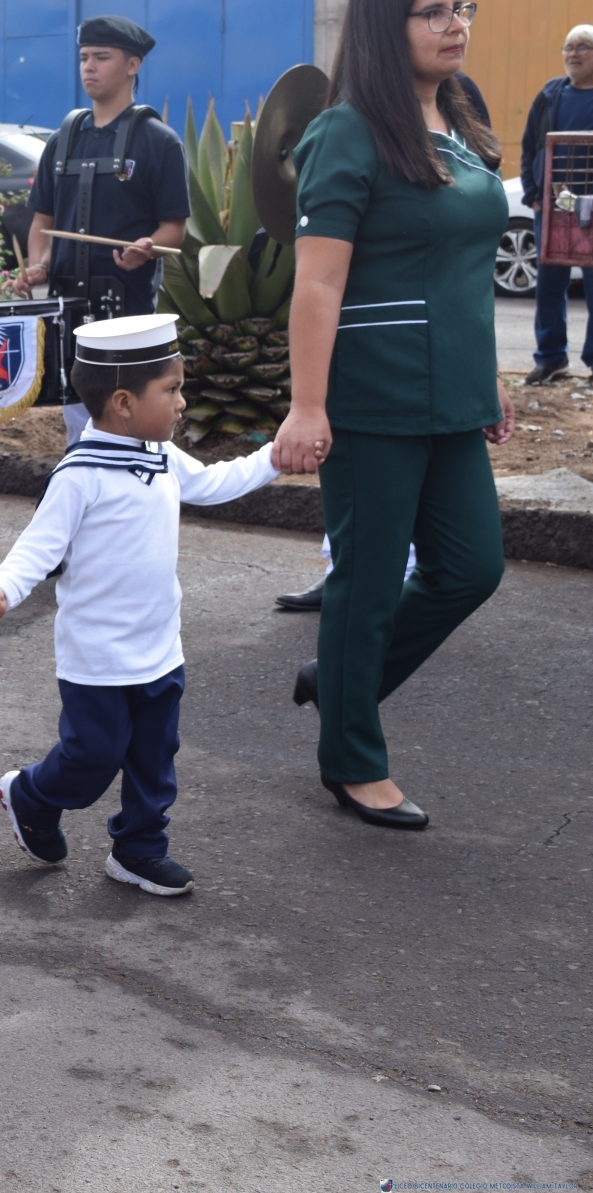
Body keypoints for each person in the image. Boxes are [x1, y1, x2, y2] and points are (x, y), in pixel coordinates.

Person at [271, 0, 513, 831]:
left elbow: (463, 266)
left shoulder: (461, 118)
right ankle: (352, 760)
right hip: (373, 394)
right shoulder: (347, 131)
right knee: (367, 586)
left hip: (452, 391)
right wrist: (308, 406)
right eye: (431, 11)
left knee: (472, 568)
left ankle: (339, 684)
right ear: (382, 24)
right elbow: (317, 281)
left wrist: (488, 375)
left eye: (463, 8)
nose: (455, 24)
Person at [0, 317, 278, 897]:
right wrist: (0, 591)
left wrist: (277, 455)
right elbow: (36, 549)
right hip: (97, 658)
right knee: (92, 759)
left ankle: (140, 849)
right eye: (171, 389)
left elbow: (213, 483)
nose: (182, 402)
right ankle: (32, 794)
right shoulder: (78, 476)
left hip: (160, 648)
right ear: (123, 403)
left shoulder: (162, 455)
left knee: (154, 757)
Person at [22, 16, 190, 447]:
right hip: (69, 315)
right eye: (83, 58)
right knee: (79, 431)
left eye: (101, 57)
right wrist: (39, 266)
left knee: (135, 430)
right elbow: (43, 224)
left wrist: (149, 246)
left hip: (128, 315)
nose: (89, 67)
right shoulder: (61, 141)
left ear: (133, 65)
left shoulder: (160, 141)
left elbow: (174, 228)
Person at [521, 24, 593, 387]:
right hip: (554, 204)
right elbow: (530, 147)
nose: (573, 53)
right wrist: (533, 195)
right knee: (549, 286)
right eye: (568, 46)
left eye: (583, 46)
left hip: (592, 205)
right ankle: (550, 359)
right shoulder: (550, 95)